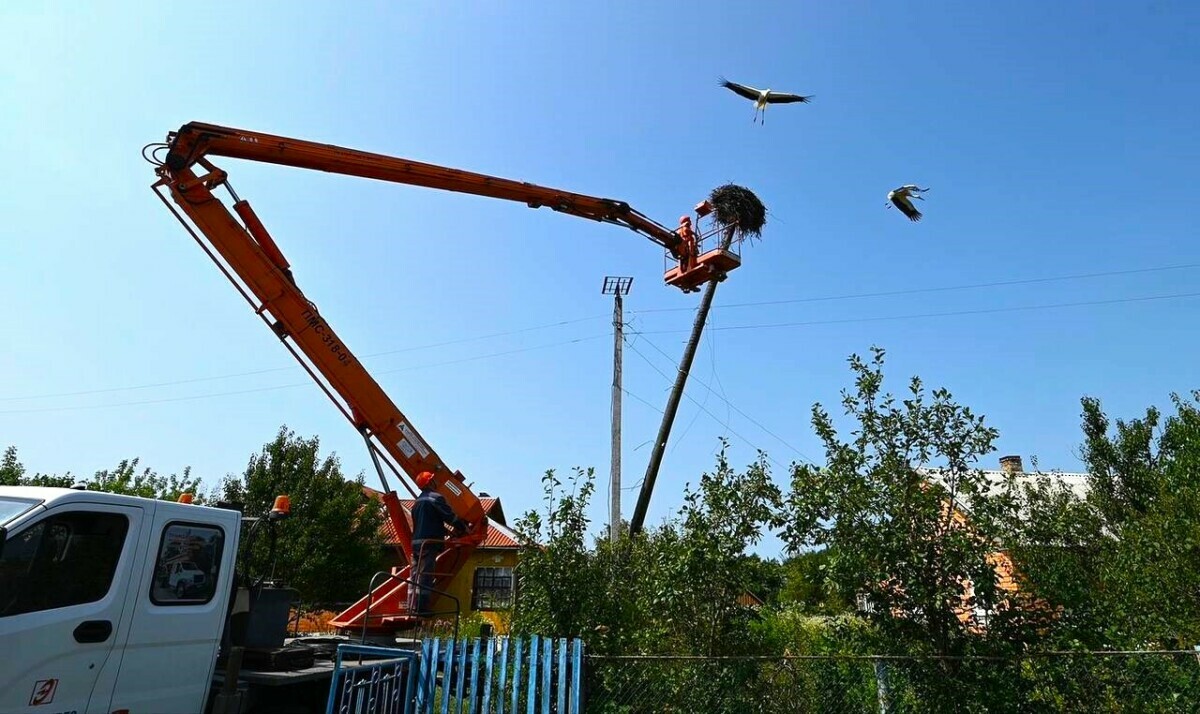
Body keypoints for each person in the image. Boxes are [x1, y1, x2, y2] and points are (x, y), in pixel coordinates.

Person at [409, 471, 468, 616]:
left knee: (414, 576)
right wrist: (463, 527)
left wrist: (442, 530)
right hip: (429, 543)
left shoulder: (417, 502)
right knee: (425, 575)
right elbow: (450, 517)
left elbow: (426, 521)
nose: (436, 481)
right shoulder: (436, 498)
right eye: (433, 479)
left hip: (416, 543)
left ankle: (411, 605)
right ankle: (421, 608)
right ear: (429, 482)